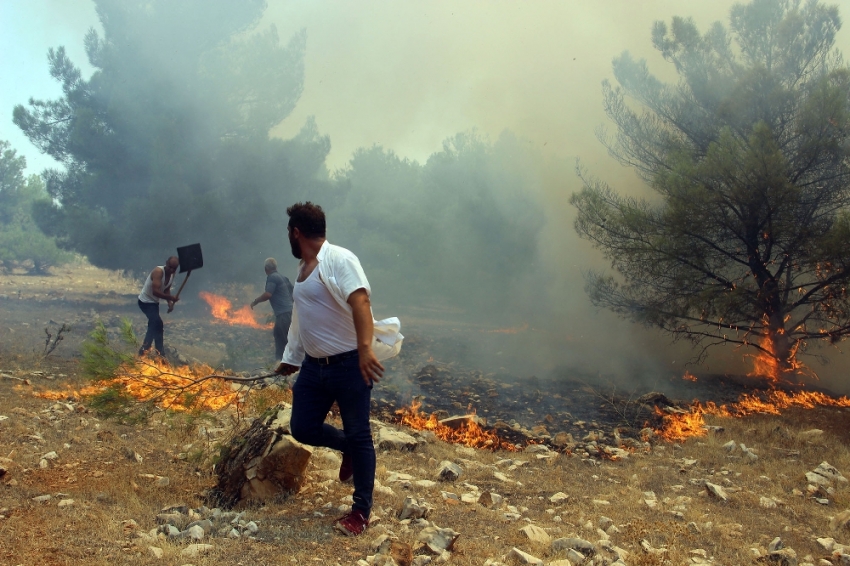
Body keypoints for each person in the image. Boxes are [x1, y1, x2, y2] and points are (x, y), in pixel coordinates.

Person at [275, 202, 402, 537]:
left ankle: (360, 513)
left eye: (289, 232)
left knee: (360, 434)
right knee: (302, 427)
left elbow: (360, 300)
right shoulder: (303, 271)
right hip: (314, 369)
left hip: (348, 364)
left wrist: (363, 350)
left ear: (296, 232)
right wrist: (292, 355)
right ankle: (343, 446)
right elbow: (302, 321)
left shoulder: (339, 259)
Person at [250, 258, 294, 363]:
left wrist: (255, 301)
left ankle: (281, 364)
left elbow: (268, 294)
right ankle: (290, 363)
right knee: (284, 336)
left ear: (266, 269)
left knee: (281, 339)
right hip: (291, 313)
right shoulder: (283, 278)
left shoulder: (272, 277)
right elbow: (293, 294)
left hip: (283, 315)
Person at [137, 256, 180, 357]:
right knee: (157, 323)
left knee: (156, 325)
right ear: (166, 263)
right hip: (145, 302)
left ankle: (156, 351)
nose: (172, 270)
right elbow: (155, 292)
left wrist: (169, 303)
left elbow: (166, 289)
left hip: (154, 303)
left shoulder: (172, 274)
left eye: (174, 268)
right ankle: (148, 350)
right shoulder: (158, 271)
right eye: (170, 267)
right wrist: (171, 298)